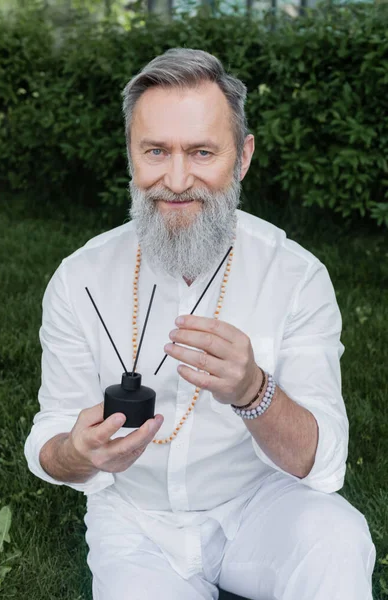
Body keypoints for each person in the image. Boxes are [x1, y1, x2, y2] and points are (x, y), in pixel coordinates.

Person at [24, 48, 376, 600]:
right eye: (156, 151)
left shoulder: (296, 275)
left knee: (338, 538)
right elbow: (50, 438)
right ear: (131, 156)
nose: (177, 178)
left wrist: (253, 391)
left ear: (243, 158)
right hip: (136, 524)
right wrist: (77, 453)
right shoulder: (80, 279)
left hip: (261, 506)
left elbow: (322, 462)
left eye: (203, 152)